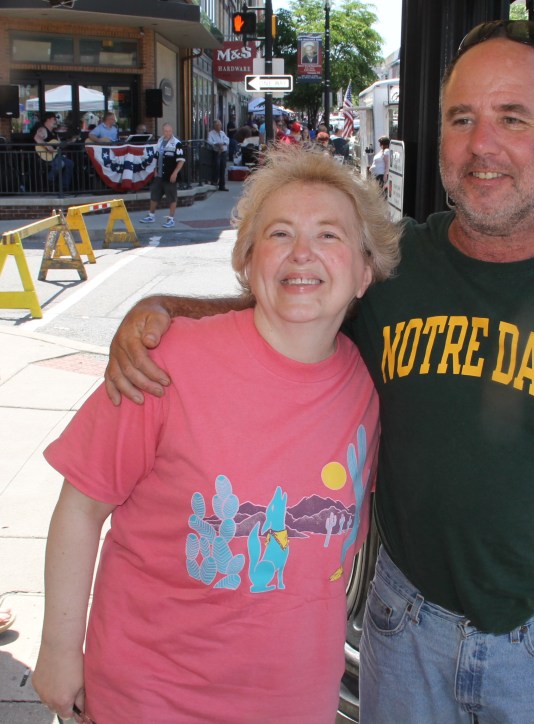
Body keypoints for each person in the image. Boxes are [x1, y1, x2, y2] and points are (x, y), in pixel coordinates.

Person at [104, 20, 534, 724]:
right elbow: (281, 307)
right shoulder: (389, 267)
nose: (481, 144)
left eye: (512, 118)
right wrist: (165, 310)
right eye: (461, 118)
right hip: (403, 625)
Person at [32, 147, 401, 724]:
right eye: (280, 233)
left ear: (365, 272)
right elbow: (81, 507)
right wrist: (59, 650)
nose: (302, 252)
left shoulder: (367, 390)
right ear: (248, 263)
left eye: (329, 235)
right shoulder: (165, 363)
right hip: (149, 699)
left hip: (295, 703)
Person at [139, 123, 185, 228]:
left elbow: (181, 160)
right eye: (166, 131)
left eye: (169, 131)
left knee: (172, 197)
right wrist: (155, 170)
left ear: (172, 131)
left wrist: (175, 173)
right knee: (154, 195)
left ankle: (171, 219)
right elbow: (157, 156)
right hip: (159, 175)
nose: (168, 133)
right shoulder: (160, 141)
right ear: (163, 131)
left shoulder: (177, 143)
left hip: (170, 175)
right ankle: (151, 215)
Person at [33, 112, 74, 192]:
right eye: (54, 119)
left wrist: (71, 141)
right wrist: (47, 146)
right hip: (45, 157)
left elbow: (59, 145)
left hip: (55, 156)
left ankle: (64, 186)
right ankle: (49, 179)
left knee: (70, 163)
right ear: (48, 119)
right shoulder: (42, 129)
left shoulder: (54, 133)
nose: (56, 121)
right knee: (60, 163)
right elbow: (37, 137)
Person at [207, 118, 229, 191]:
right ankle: (214, 182)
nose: (219, 126)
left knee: (222, 168)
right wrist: (217, 144)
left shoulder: (222, 133)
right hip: (216, 152)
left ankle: (222, 185)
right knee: (216, 167)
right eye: (217, 125)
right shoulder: (211, 133)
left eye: (220, 125)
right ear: (214, 126)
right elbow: (209, 141)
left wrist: (223, 143)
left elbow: (227, 140)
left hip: (223, 152)